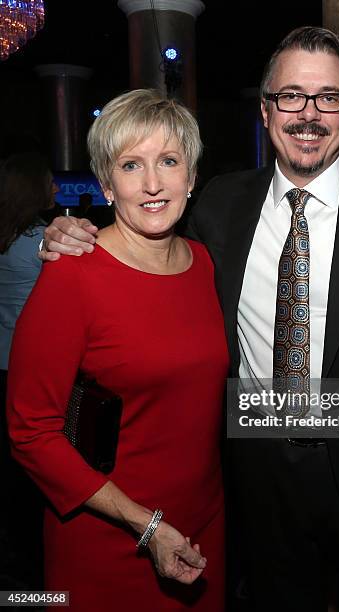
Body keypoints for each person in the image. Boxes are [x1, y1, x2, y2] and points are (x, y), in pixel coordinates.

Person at [39, 28, 339, 612]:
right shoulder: (220, 205)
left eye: (329, 98)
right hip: (254, 485)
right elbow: (145, 247)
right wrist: (72, 232)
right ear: (266, 110)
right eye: (292, 96)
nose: (310, 115)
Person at [7, 90, 228, 611]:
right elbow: (29, 432)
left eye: (168, 162)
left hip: (204, 529)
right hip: (110, 539)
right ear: (107, 185)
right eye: (131, 165)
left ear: (191, 177)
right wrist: (144, 525)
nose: (152, 184)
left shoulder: (204, 263)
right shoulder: (72, 276)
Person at [0, 151, 57, 589]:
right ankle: (39, 584)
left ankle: (17, 575)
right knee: (34, 476)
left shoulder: (6, 237)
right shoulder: (36, 243)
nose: (57, 187)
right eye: (50, 181)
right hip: (28, 369)